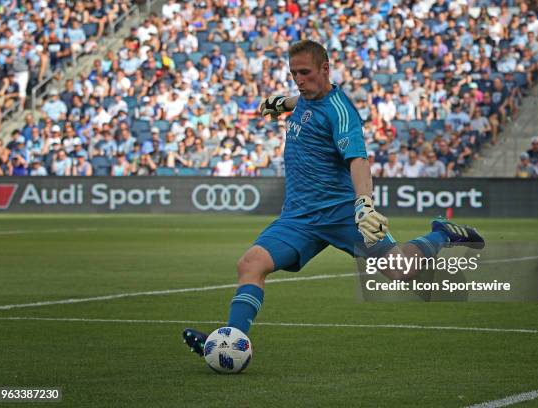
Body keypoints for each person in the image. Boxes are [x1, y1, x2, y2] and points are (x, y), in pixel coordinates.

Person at [182, 40, 484, 358]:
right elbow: (301, 102)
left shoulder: (341, 111)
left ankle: (441, 233)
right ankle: (231, 342)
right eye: (293, 73)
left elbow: (358, 159)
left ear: (325, 69)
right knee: (250, 264)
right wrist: (282, 103)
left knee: (401, 271)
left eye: (305, 72)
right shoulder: (305, 98)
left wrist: (364, 204)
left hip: (341, 214)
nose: (299, 79)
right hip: (298, 217)